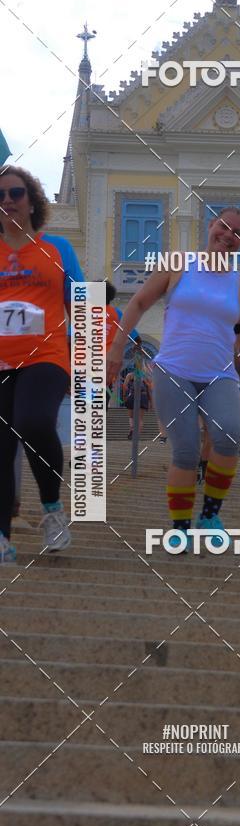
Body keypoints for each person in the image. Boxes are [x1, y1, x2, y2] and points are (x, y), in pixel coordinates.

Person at [106, 207, 240, 552]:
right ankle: (180, 528)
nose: (228, 235)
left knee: (228, 438)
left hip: (219, 374)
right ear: (211, 226)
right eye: (224, 226)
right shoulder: (179, 263)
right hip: (173, 371)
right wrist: (117, 349)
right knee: (186, 450)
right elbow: (137, 303)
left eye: (238, 233)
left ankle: (209, 516)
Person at [0, 165, 84, 561]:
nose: (7, 202)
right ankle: (2, 537)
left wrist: (96, 359)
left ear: (32, 201)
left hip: (46, 357)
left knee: (33, 422)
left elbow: (82, 303)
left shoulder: (57, 249)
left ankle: (52, 509)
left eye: (15, 193)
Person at [122, 337, 153, 440]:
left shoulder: (130, 375)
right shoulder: (144, 376)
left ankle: (132, 430)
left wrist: (124, 397)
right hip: (142, 396)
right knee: (139, 418)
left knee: (131, 417)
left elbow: (125, 387)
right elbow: (149, 389)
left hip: (133, 396)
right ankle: (136, 434)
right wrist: (151, 402)